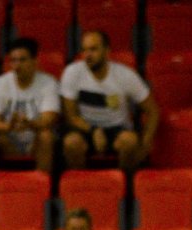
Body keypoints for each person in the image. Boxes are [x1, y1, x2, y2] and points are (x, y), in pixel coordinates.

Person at [60, 29, 157, 173]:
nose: (87, 55)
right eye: (84, 50)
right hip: (85, 127)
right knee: (71, 142)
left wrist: (145, 142)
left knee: (130, 141)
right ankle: (80, 183)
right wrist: (93, 130)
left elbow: (153, 111)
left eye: (93, 49)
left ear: (107, 51)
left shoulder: (126, 75)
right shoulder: (72, 72)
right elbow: (71, 116)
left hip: (117, 128)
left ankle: (125, 183)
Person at [0, 38, 60, 174]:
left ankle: (42, 182)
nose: (17, 65)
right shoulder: (0, 83)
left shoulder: (49, 83)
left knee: (46, 135)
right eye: (13, 60)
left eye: (22, 60)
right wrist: (9, 126)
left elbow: (49, 120)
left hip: (36, 140)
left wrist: (29, 124)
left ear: (35, 61)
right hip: (9, 140)